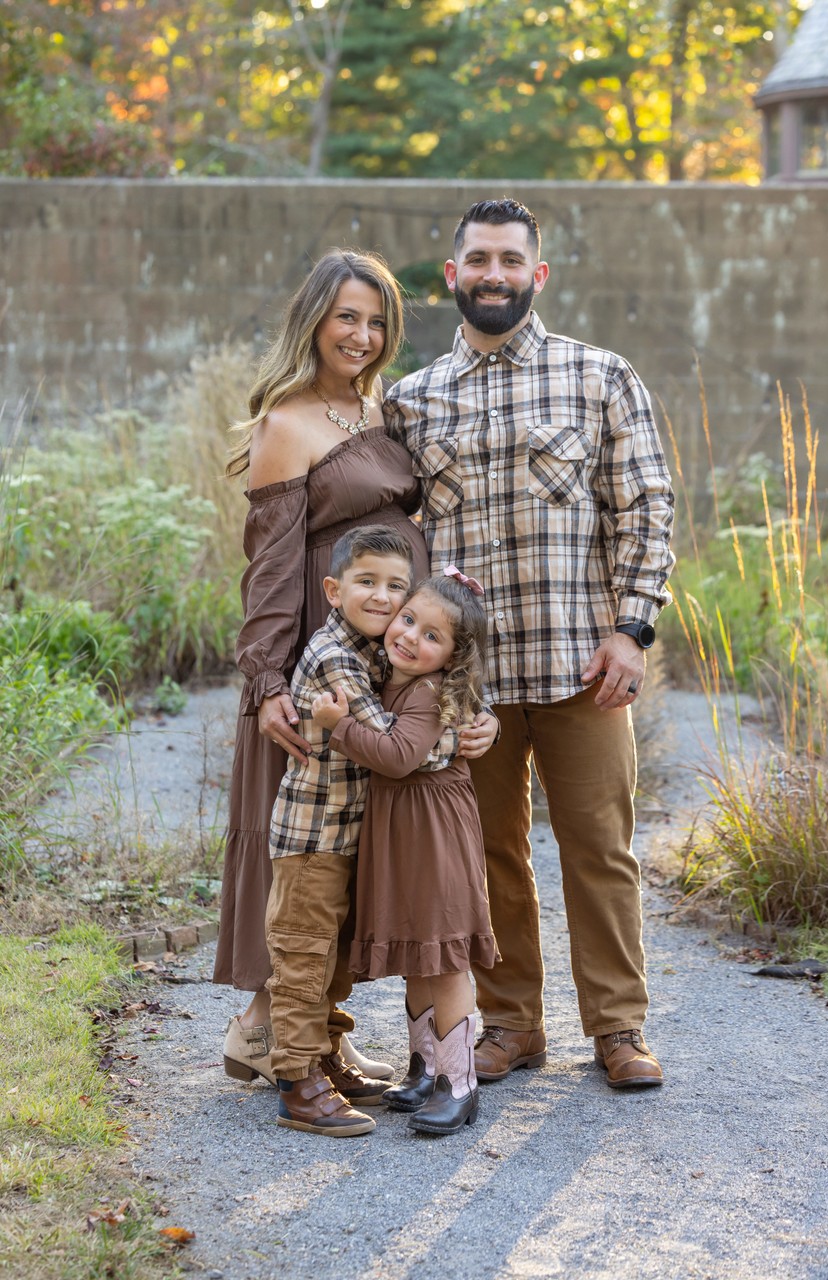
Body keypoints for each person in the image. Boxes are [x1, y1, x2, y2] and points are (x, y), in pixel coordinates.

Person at [383, 198, 676, 1090]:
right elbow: (397, 542)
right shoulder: (412, 400)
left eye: (512, 260)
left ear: (537, 275)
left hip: (583, 667)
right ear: (453, 276)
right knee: (489, 854)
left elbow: (648, 509)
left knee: (600, 846)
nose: (495, 274)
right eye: (479, 260)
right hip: (468, 682)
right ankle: (510, 1023)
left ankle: (618, 1029)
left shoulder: (600, 377)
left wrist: (632, 632)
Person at [213, 248, 431, 1087]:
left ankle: (319, 1027)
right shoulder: (288, 421)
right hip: (313, 658)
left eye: (377, 322)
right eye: (347, 317)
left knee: (344, 841)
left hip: (372, 655)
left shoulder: (378, 408)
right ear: (314, 320)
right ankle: (265, 1029)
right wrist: (267, 681)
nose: (364, 335)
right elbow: (269, 567)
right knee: (298, 844)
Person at [266, 525, 458, 1137]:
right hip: (314, 837)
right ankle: (298, 1082)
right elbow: (394, 747)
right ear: (333, 589)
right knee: (303, 958)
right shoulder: (336, 658)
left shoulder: (377, 651)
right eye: (366, 582)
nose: (381, 597)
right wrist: (461, 739)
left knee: (334, 961)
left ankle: (326, 1057)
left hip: (349, 839)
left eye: (395, 587)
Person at [313, 568, 497, 1136]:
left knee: (442, 957)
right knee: (420, 952)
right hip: (405, 828)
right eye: (409, 619)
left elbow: (396, 756)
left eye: (432, 636)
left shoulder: (426, 691)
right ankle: (424, 1066)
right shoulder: (390, 679)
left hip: (433, 831)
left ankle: (458, 1083)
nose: (412, 636)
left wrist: (338, 725)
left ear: (453, 657)